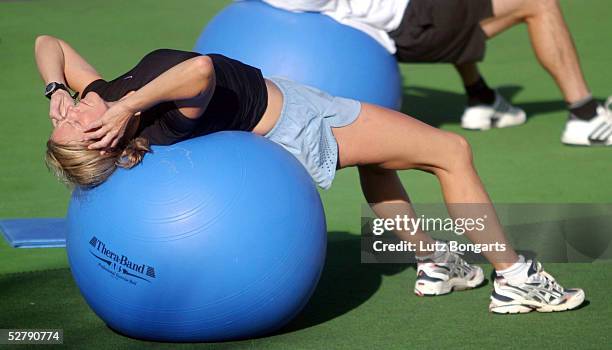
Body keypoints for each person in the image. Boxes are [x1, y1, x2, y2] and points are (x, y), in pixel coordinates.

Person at [36, 35, 584, 313]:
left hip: (292, 103)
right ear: (106, 137)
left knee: (379, 161)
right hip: (301, 125)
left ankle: (434, 262)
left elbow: (50, 44)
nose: (73, 111)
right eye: (73, 121)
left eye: (66, 114)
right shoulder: (165, 118)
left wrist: (57, 90)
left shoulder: (97, 103)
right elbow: (200, 70)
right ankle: (515, 279)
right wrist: (130, 103)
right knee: (452, 151)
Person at [263, 0, 612, 145]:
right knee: (538, 3)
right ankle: (585, 116)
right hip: (415, 22)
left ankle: (482, 98)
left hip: (411, 18)